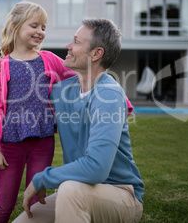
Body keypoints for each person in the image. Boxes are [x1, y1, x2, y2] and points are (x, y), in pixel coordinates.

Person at [13, 18, 144, 222]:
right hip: (76, 190)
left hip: (120, 194)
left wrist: (41, 178)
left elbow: (96, 168)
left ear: (96, 53)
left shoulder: (108, 95)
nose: (68, 46)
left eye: (76, 41)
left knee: (69, 189)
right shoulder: (62, 90)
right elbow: (24, 102)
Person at [0, 1, 75, 223]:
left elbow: (80, 76)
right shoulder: (1, 66)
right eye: (34, 25)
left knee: (37, 201)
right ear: (16, 25)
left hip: (43, 140)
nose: (40, 32)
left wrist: (117, 96)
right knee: (3, 204)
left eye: (44, 27)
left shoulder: (49, 59)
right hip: (11, 143)